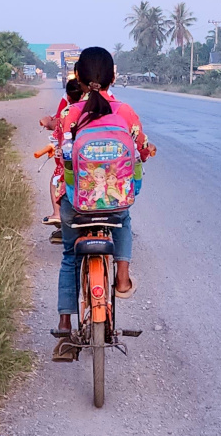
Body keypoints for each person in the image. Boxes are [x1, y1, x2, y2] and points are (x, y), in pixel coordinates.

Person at [52, 47, 155, 362]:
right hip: (113, 201)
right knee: (123, 219)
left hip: (77, 202)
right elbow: (141, 147)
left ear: (79, 79)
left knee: (70, 256)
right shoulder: (125, 112)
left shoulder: (70, 113)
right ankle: (122, 277)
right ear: (113, 77)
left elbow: (60, 153)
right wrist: (146, 152)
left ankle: (65, 329)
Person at [41, 77, 82, 236]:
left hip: (72, 162)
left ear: (69, 97)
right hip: (96, 160)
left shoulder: (68, 113)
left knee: (56, 179)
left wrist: (47, 121)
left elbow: (56, 126)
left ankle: (57, 214)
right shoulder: (100, 108)